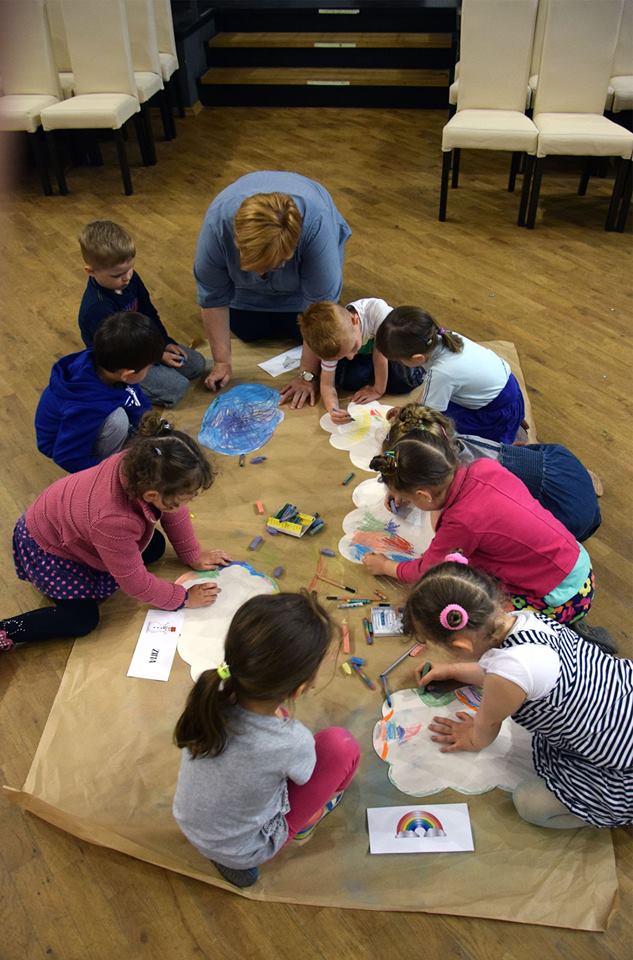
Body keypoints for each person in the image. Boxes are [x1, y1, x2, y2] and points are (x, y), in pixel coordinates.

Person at [404, 560, 633, 829]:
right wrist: (454, 670)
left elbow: (486, 728)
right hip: (621, 699)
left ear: (461, 645)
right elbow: (509, 673)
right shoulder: (525, 619)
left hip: (620, 761)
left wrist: (471, 735)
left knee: (529, 803)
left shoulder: (508, 675)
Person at [173, 591, 360, 888]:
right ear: (299, 689)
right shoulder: (292, 741)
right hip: (247, 849)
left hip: (191, 825)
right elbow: (304, 777)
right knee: (340, 746)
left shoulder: (209, 699)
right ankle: (247, 856)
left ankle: (229, 857)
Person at [0, 415, 230, 652]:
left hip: (73, 528)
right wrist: (183, 598)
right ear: (152, 496)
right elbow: (134, 584)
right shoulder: (113, 520)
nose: (186, 504)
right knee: (82, 620)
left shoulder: (141, 464)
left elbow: (174, 510)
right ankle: (6, 630)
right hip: (48, 549)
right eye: (184, 499)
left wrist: (192, 554)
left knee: (155, 546)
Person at [362, 431, 596, 626]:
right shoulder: (483, 466)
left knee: (476, 620)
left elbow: (426, 570)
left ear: (424, 495)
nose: (410, 503)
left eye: (411, 499)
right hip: (576, 561)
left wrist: (386, 566)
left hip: (564, 597)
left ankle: (563, 635)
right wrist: (408, 490)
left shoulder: (462, 521)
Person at [193, 171, 352, 409]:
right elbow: (213, 298)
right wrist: (222, 362)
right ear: (238, 244)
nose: (262, 275)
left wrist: (307, 375)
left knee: (313, 333)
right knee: (246, 329)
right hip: (246, 294)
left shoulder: (316, 226)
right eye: (255, 267)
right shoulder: (218, 227)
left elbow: (320, 308)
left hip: (300, 287)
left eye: (274, 265)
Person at [383, 404, 601, 543]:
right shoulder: (449, 442)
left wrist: (408, 487)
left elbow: (449, 531)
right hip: (561, 465)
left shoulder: (470, 478)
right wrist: (402, 485)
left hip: (568, 513)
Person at [78, 220, 206, 407]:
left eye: (130, 268)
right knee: (177, 387)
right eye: (117, 275)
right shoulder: (96, 309)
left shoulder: (130, 279)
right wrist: (158, 356)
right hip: (122, 363)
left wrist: (165, 343)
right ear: (91, 271)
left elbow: (148, 313)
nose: (127, 277)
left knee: (197, 365)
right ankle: (121, 391)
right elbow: (119, 353)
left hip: (144, 345)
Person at [35, 311, 164, 474]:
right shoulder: (87, 408)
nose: (149, 371)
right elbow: (67, 457)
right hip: (64, 445)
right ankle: (109, 466)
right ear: (127, 374)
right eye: (149, 368)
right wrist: (111, 473)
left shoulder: (108, 363)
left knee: (127, 421)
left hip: (81, 425)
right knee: (118, 421)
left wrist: (152, 425)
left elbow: (133, 397)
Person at [375, 306, 526, 443]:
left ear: (417, 358)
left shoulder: (441, 373)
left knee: (442, 435)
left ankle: (507, 436)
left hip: (495, 413)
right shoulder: (444, 337)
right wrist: (407, 410)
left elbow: (428, 415)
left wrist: (407, 418)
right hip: (508, 390)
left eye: (399, 361)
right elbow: (429, 392)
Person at [298, 299, 424, 424]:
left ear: (355, 320)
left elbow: (380, 356)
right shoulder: (334, 344)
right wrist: (333, 409)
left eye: (353, 347)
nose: (350, 356)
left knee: (405, 381)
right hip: (366, 355)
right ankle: (369, 370)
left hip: (389, 348)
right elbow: (327, 385)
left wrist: (378, 390)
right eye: (343, 356)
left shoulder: (377, 312)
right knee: (347, 380)